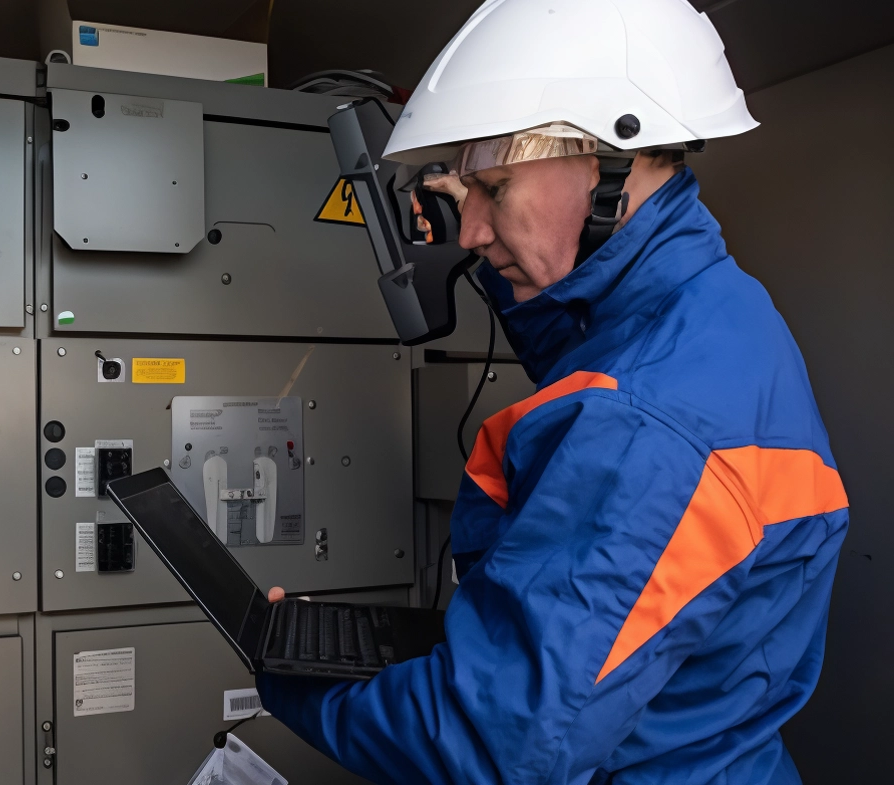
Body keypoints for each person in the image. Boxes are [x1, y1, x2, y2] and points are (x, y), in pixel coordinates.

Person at [256, 1, 848, 783]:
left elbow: (491, 746)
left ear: (612, 169)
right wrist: (506, 263)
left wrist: (289, 675)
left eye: (493, 190)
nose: (468, 232)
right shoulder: (706, 309)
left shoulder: (648, 424)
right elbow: (591, 357)